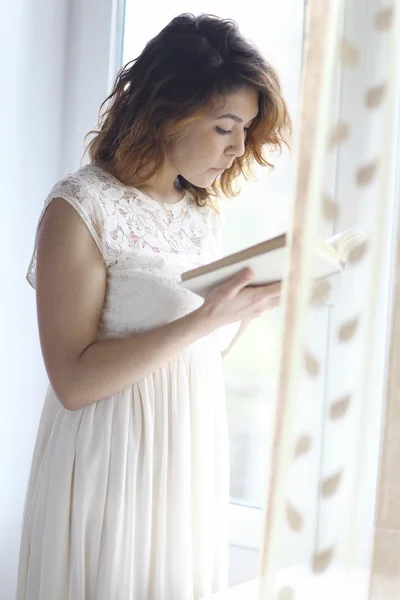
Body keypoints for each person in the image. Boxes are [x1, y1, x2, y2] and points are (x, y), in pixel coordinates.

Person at [16, 12, 291, 600]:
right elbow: (73, 381)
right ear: (169, 112)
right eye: (225, 127)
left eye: (245, 129)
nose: (239, 146)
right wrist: (203, 319)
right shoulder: (81, 208)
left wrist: (237, 310)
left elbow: (197, 349)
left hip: (185, 460)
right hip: (109, 463)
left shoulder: (200, 219)